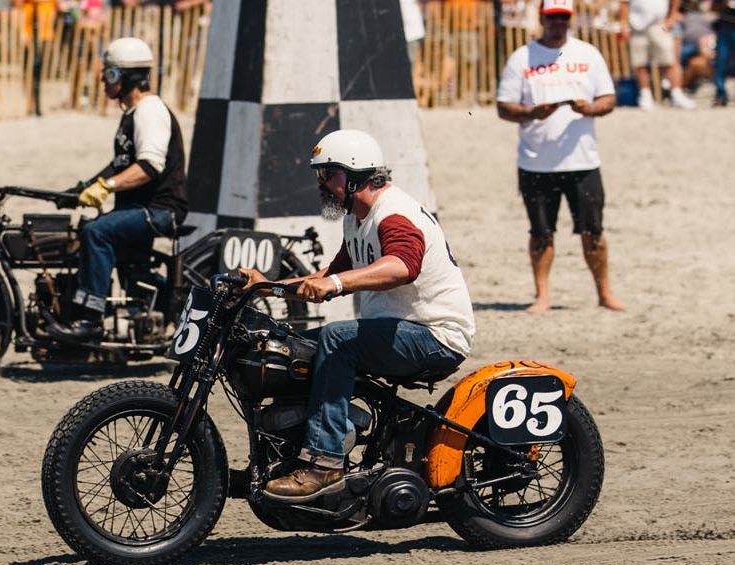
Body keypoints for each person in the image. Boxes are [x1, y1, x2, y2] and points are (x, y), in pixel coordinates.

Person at [238, 129, 475, 502]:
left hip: (434, 335)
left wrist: (335, 284)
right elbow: (326, 276)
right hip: (393, 331)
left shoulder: (393, 214)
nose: (321, 183)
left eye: (327, 174)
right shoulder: (356, 220)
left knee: (337, 339)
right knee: (288, 347)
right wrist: (265, 287)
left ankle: (324, 463)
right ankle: (282, 453)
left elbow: (402, 266)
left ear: (353, 176)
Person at [47, 37, 187, 342]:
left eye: (108, 73)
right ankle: (163, 306)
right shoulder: (132, 112)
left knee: (96, 232)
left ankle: (90, 319)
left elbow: (149, 166)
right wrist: (80, 190)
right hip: (138, 208)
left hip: (160, 210)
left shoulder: (150, 111)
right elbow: (120, 164)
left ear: (123, 77)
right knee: (124, 261)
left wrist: (106, 188)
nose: (102, 80)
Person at [496, 0, 625, 314]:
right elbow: (504, 107)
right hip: (536, 161)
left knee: (593, 231)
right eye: (552, 18)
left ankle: (605, 293)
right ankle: (542, 295)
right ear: (542, 18)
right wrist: (532, 113)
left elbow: (608, 99)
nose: (558, 23)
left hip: (583, 161)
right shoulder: (522, 57)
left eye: (563, 18)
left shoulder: (587, 53)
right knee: (541, 233)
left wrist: (590, 108)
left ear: (571, 19)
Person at [620, 0, 697, 109]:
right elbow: (624, 3)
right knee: (639, 62)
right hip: (637, 26)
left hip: (660, 25)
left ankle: (676, 94)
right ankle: (645, 96)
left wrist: (672, 17)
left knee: (670, 61)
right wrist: (624, 24)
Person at [711, 0, 735, 105]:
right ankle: (721, 94)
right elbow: (713, 8)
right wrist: (723, 3)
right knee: (721, 62)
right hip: (725, 29)